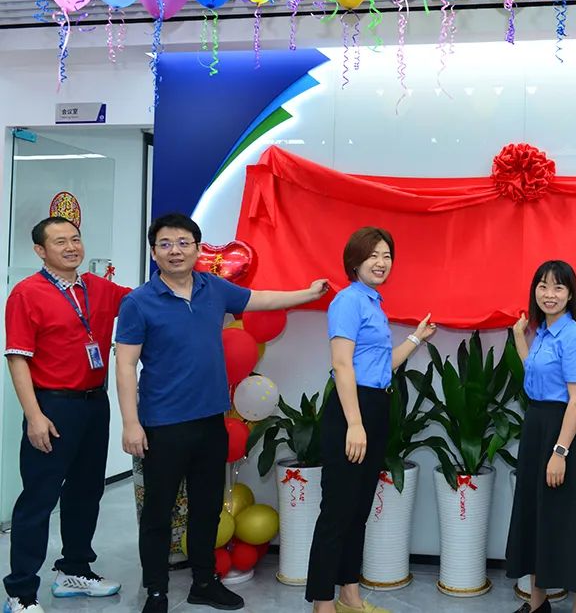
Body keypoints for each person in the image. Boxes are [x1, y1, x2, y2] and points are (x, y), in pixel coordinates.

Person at [114, 213, 330, 613]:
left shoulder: (212, 288)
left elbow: (261, 299)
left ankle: (204, 582)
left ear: (197, 249)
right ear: (153, 253)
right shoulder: (138, 302)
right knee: (159, 513)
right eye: (165, 244)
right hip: (163, 425)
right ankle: (156, 591)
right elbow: (125, 365)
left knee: (208, 508)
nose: (175, 250)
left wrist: (308, 293)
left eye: (183, 243)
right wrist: (130, 423)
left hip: (212, 421)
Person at [3, 217, 130, 613]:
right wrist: (34, 415)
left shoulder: (98, 288)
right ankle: (20, 592)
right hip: (52, 407)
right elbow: (17, 359)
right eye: (60, 242)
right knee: (39, 499)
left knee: (86, 492)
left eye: (75, 239)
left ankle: (74, 570)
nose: (71, 247)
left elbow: (145, 301)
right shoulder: (27, 293)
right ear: (40, 251)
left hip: (95, 403)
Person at [306, 226, 435, 613]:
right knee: (337, 511)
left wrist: (416, 338)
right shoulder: (348, 301)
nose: (381, 262)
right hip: (352, 410)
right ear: (355, 261)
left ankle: (349, 594)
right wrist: (355, 424)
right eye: (373, 255)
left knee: (358, 509)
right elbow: (342, 364)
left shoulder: (374, 304)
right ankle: (322, 603)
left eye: (386, 256)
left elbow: (382, 365)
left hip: (376, 406)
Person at [505, 260, 576, 613]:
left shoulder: (573, 337)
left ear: (570, 294)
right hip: (536, 429)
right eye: (542, 286)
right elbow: (535, 376)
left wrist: (559, 452)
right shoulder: (542, 333)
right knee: (537, 517)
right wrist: (519, 337)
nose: (549, 294)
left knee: (570, 522)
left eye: (558, 287)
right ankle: (537, 604)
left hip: (562, 433)